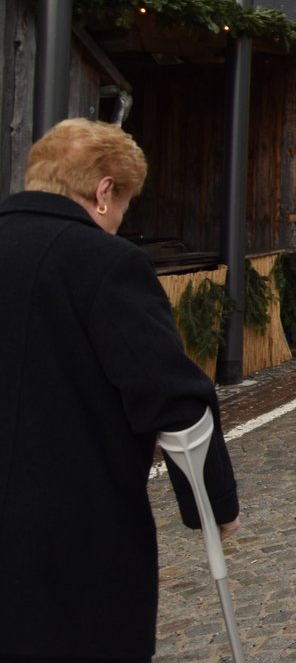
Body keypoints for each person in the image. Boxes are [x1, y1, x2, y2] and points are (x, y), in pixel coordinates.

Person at [0, 119, 240, 662]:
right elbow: (172, 398)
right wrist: (213, 505)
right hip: (68, 536)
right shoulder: (104, 262)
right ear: (104, 191)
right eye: (125, 206)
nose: (118, 221)